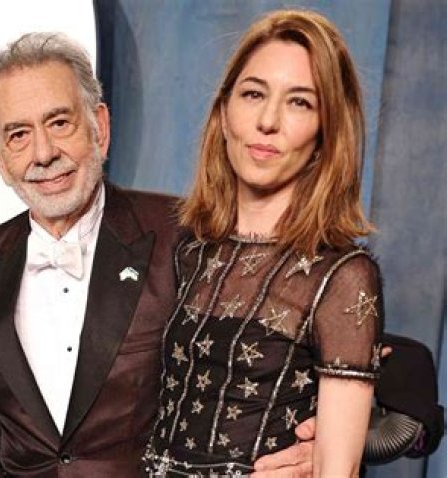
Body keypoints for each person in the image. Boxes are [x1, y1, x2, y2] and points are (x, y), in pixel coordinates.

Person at [0, 31, 316, 477]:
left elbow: (299, 339)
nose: (43, 153)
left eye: (59, 123)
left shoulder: (183, 232)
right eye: (19, 134)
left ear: (99, 128)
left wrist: (326, 440)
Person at [143, 9, 382, 476]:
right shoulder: (188, 250)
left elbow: (338, 469)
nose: (268, 121)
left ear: (326, 133)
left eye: (300, 103)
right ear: (224, 113)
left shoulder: (342, 276)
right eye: (253, 94)